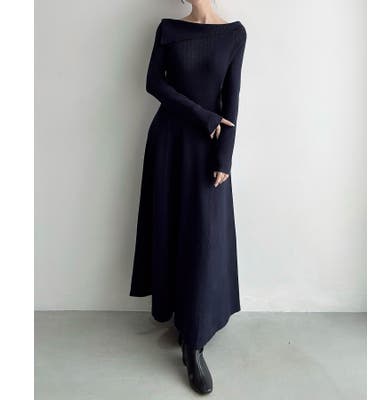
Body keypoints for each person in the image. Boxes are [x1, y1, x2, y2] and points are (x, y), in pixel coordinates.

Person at [129, 0, 247, 394]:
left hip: (208, 149)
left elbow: (231, 100)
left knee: (204, 238)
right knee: (171, 228)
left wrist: (224, 158)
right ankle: (179, 316)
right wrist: (203, 116)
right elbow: (154, 83)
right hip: (168, 142)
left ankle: (193, 343)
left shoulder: (234, 34)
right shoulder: (168, 29)